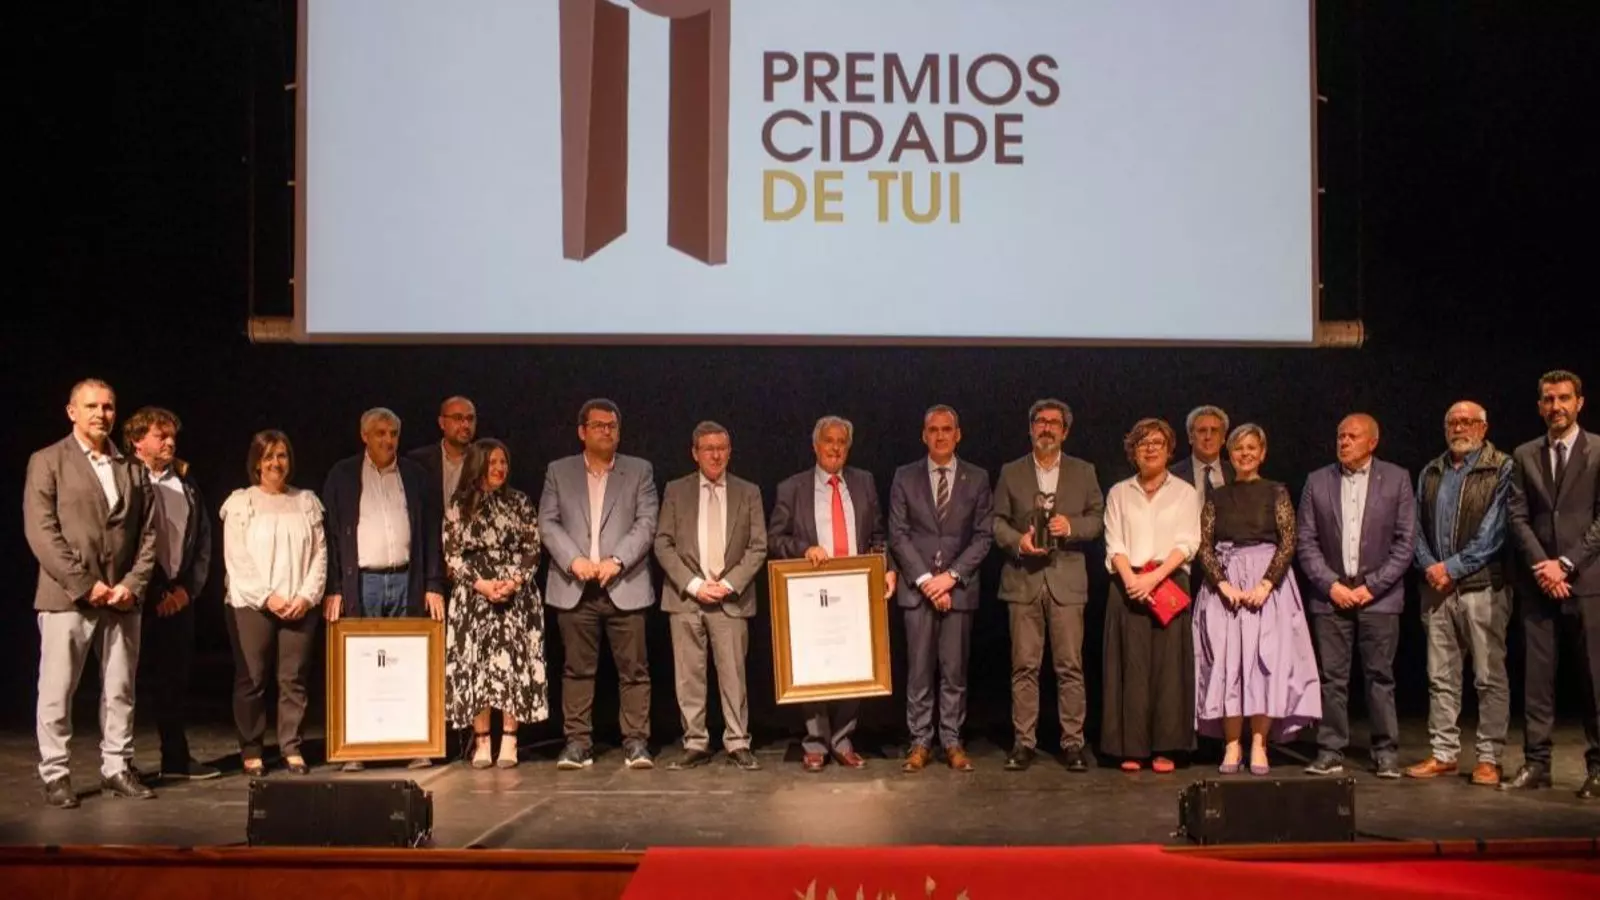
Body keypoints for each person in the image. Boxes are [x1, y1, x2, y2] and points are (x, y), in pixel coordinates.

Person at [25, 379, 159, 807]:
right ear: (72, 412)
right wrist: (86, 584)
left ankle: (116, 767)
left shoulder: (133, 468)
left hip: (122, 599)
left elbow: (150, 535)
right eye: (92, 406)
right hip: (67, 597)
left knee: (120, 689)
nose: (101, 414)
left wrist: (131, 585)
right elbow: (42, 533)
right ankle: (56, 773)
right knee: (57, 689)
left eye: (108, 407)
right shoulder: (48, 461)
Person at [768, 415, 898, 772]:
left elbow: (878, 535)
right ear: (816, 446)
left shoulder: (864, 482)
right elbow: (774, 538)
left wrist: (886, 567)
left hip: (855, 591)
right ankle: (815, 743)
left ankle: (842, 740)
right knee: (815, 666)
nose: (836, 448)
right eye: (829, 441)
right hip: (812, 592)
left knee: (854, 664)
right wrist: (804, 549)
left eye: (842, 442)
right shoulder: (792, 487)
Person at [322, 407, 446, 771]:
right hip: (363, 582)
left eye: (393, 434)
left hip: (407, 579)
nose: (388, 440)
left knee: (406, 666)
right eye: (380, 433)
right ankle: (357, 748)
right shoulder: (343, 475)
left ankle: (414, 744)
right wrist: (334, 587)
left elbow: (431, 533)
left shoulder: (415, 475)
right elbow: (331, 536)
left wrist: (433, 584)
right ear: (364, 436)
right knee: (362, 667)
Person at [539, 399, 660, 770]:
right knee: (576, 670)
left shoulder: (639, 470)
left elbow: (647, 523)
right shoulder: (559, 471)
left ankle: (636, 742)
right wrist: (574, 560)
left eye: (612, 426)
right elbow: (548, 522)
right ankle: (577, 743)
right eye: (599, 425)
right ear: (582, 431)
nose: (607, 431)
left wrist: (617, 560)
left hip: (625, 583)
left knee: (634, 670)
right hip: (575, 587)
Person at [1194, 423, 1320, 776]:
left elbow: (1288, 540)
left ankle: (1260, 743)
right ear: (1229, 454)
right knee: (1229, 664)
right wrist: (1223, 584)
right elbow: (1204, 545)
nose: (1245, 454)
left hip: (1268, 584)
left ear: (1262, 453)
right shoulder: (1217, 496)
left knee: (1265, 664)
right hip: (1227, 586)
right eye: (1238, 448)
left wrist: (1266, 584)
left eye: (1251, 448)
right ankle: (1232, 743)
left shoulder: (1276, 491)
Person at [1297, 414, 1417, 779]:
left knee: (1380, 676)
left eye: (1352, 436)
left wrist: (1372, 586)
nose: (1344, 442)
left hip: (1378, 598)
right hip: (1330, 597)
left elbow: (1405, 542)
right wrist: (1331, 584)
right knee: (1332, 678)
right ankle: (1330, 749)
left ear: (1372, 442)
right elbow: (1306, 541)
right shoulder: (1318, 480)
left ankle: (1385, 751)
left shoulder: (1397, 479)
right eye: (1340, 436)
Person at [1404, 401, 1513, 787]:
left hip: (1482, 587)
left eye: (1467, 422)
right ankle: (1444, 753)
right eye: (1452, 422)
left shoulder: (1501, 467)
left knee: (1488, 677)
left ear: (1483, 427)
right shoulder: (1431, 471)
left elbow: (1494, 533)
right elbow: (1413, 528)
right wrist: (1430, 567)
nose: (1459, 428)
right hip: (1436, 590)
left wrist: (1450, 568)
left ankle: (1489, 758)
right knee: (1441, 676)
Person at [992, 399, 1104, 772]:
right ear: (1030, 428)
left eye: (1054, 423)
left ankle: (1072, 743)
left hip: (1066, 582)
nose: (1046, 428)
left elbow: (1098, 519)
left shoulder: (1084, 471)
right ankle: (1024, 742)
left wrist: (1071, 526)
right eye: (1040, 421)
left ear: (1065, 431)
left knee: (1070, 666)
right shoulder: (1011, 471)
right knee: (1024, 666)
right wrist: (1018, 541)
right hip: (1023, 580)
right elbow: (996, 522)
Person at [1504, 369, 1600, 799]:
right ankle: (1537, 763)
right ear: (1539, 405)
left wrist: (1566, 564)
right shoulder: (1524, 454)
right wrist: (1545, 568)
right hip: (1539, 584)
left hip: (1588, 582)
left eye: (1563, 398)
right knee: (1537, 680)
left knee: (1594, 679)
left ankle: (1598, 768)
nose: (1555, 406)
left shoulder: (1598, 450)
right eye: (1548, 399)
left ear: (1579, 402)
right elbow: (1517, 517)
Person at [654, 421, 769, 771]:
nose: (716, 455)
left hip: (730, 599)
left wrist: (728, 584)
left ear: (730, 452)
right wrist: (694, 585)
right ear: (695, 453)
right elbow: (663, 543)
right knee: (689, 675)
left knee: (734, 674)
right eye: (708, 449)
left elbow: (758, 546)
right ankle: (695, 742)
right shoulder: (676, 490)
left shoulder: (749, 491)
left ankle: (738, 741)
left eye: (721, 448)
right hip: (687, 598)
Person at [888, 405, 994, 772]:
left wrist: (950, 577)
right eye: (933, 430)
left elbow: (983, 536)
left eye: (947, 429)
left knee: (954, 672)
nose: (940, 436)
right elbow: (898, 535)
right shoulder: (904, 476)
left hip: (958, 590)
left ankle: (951, 740)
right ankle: (920, 742)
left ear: (958, 434)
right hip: (917, 590)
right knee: (918, 672)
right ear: (924, 435)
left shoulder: (977, 478)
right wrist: (925, 581)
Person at [219, 431, 326, 777]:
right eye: (268, 457)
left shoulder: (305, 501)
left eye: (281, 455)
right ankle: (252, 749)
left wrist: (306, 596)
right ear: (256, 463)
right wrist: (268, 597)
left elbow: (320, 554)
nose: (275, 463)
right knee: (252, 679)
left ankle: (291, 747)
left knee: (293, 679)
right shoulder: (241, 503)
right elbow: (237, 557)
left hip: (298, 604)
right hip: (252, 604)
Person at [124, 406, 218, 781]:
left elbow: (203, 541)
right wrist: (148, 591)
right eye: (160, 436)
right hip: (134, 597)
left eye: (172, 436)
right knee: (122, 683)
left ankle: (175, 760)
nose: (170, 442)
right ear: (137, 441)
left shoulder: (186, 483)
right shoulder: (124, 478)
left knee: (174, 682)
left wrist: (186, 591)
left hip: (178, 597)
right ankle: (119, 764)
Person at [1101, 418, 1200, 773]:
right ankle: (1131, 747)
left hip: (1168, 583)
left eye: (1158, 442)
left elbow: (1188, 543)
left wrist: (1153, 579)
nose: (1150, 448)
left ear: (1169, 449)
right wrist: (1132, 580)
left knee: (1168, 669)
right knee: (1131, 667)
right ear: (1133, 450)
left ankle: (1165, 748)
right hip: (1127, 585)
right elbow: (1114, 542)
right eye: (1143, 442)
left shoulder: (1185, 492)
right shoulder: (1119, 492)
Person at [444, 438, 548, 769]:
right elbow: (453, 554)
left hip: (515, 595)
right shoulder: (459, 504)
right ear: (478, 465)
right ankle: (482, 741)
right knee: (478, 667)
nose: (500, 468)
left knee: (511, 665)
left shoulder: (519, 502)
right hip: (474, 596)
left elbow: (533, 548)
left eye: (503, 462)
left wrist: (513, 582)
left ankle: (510, 740)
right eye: (493, 463)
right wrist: (482, 585)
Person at [1170, 405, 1234, 501]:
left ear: (1223, 438)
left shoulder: (1235, 473)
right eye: (1202, 431)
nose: (1208, 437)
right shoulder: (1172, 475)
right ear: (1190, 437)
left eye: (1214, 431)